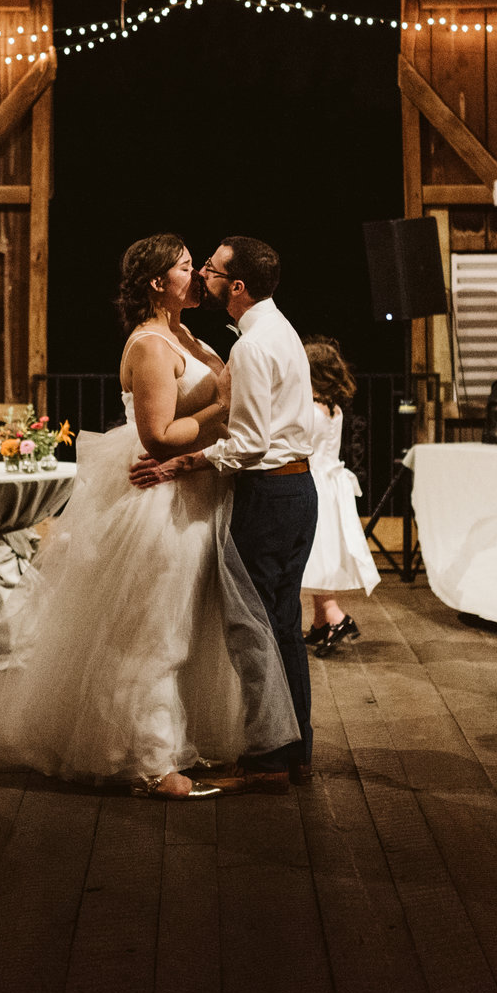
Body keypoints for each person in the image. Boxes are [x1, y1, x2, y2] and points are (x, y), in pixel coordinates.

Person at [0, 235, 297, 799]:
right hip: (159, 496)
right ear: (157, 283)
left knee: (190, 631)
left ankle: (179, 740)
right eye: (183, 268)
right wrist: (225, 405)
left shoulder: (188, 336)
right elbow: (158, 435)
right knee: (153, 630)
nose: (197, 275)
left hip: (199, 492)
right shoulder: (150, 345)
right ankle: (146, 759)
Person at [132, 236, 320, 795]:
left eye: (209, 270)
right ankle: (294, 751)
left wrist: (185, 463)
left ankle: (267, 759)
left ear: (236, 286)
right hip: (295, 489)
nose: (203, 277)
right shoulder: (275, 331)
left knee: (253, 629)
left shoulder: (253, 346)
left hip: (266, 492)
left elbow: (251, 443)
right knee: (282, 627)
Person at [301, 336, 378, 657]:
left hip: (317, 481)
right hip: (332, 484)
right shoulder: (332, 407)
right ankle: (321, 620)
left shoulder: (311, 408)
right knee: (323, 550)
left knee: (316, 551)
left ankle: (335, 616)